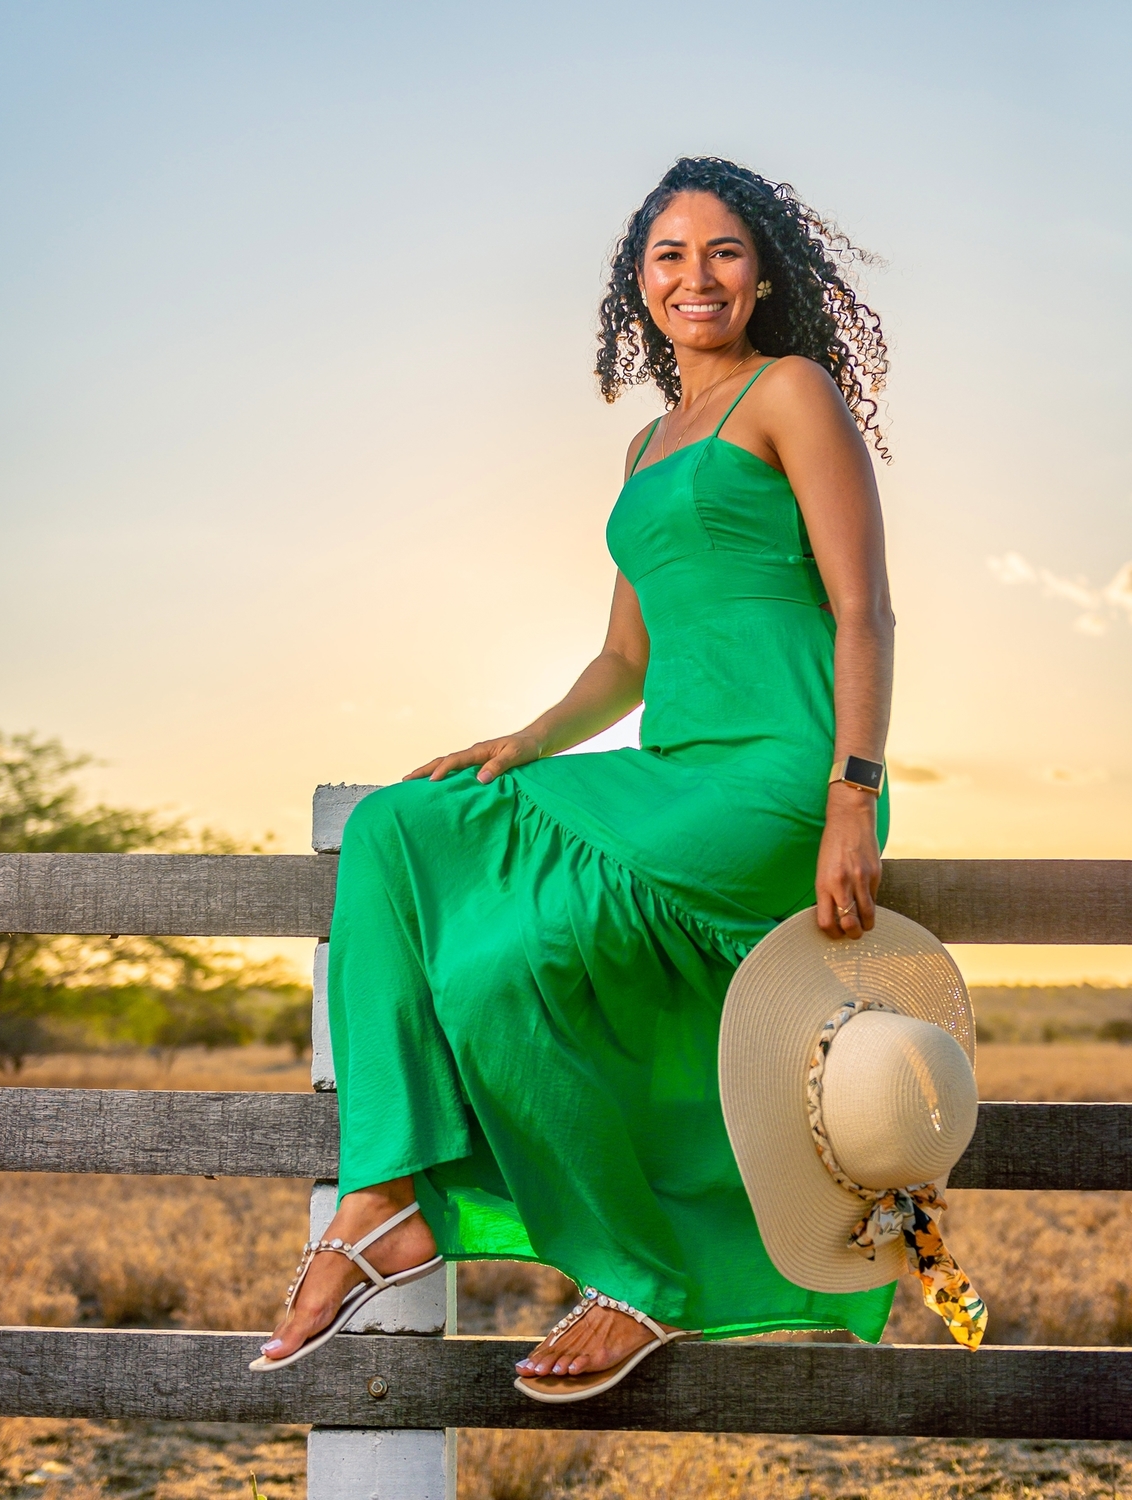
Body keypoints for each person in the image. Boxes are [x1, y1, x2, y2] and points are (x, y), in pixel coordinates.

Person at [252, 155, 895, 1401]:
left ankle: (643, 1273)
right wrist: (527, 741)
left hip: (779, 782)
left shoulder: (792, 392)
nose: (694, 276)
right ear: (635, 282)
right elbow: (624, 655)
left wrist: (852, 797)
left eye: (721, 251)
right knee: (399, 823)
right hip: (666, 770)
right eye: (668, 255)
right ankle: (383, 1193)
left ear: (764, 270)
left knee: (505, 966)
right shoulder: (649, 447)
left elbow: (865, 613)